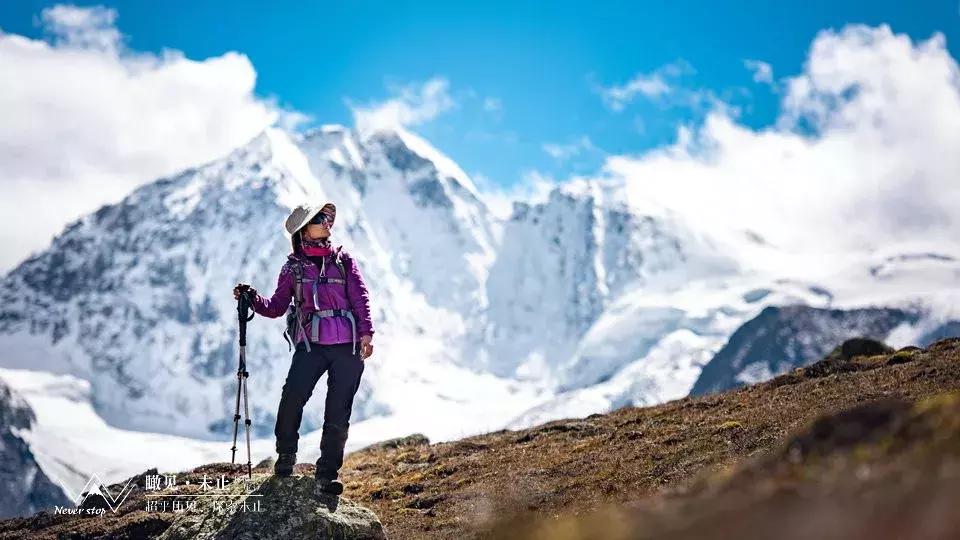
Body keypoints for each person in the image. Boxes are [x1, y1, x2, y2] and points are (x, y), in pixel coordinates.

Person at [233, 202, 374, 495]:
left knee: (338, 413)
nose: (326, 222)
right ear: (303, 230)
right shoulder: (292, 268)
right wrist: (252, 298)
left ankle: (327, 475)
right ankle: (286, 455)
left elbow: (360, 297)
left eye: (326, 217)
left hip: (348, 348)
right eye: (319, 219)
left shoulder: (343, 260)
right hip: (312, 346)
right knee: (292, 398)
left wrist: (366, 334)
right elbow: (276, 307)